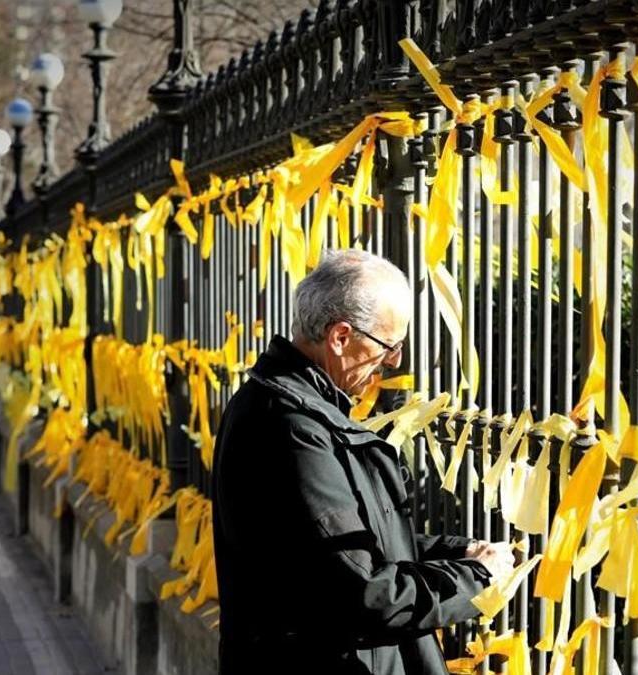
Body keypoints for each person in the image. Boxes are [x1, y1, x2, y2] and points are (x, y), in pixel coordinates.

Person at [212, 249, 514, 674]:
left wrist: (459, 552)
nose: (395, 361)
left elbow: (345, 543)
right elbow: (362, 591)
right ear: (340, 337)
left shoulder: (289, 405)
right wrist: (475, 579)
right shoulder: (292, 428)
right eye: (389, 346)